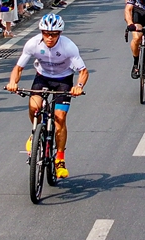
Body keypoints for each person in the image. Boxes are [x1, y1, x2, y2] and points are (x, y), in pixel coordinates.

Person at [6, 14, 88, 180]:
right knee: (34, 105)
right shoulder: (33, 44)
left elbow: (83, 71)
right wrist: (12, 82)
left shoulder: (68, 46)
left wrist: (78, 87)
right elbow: (19, 68)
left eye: (54, 34)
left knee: (60, 117)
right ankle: (35, 132)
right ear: (41, 32)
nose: (50, 38)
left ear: (60, 33)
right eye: (46, 33)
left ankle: (59, 160)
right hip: (42, 77)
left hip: (63, 79)